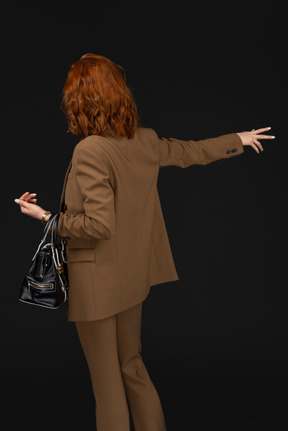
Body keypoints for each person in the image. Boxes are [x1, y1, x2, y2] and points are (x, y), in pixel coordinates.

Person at [14, 53, 275, 431]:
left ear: (79, 100)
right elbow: (191, 152)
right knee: (133, 368)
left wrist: (45, 218)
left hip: (98, 284)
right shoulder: (144, 141)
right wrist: (239, 139)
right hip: (133, 281)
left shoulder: (90, 150)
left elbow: (98, 225)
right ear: (117, 94)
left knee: (107, 386)